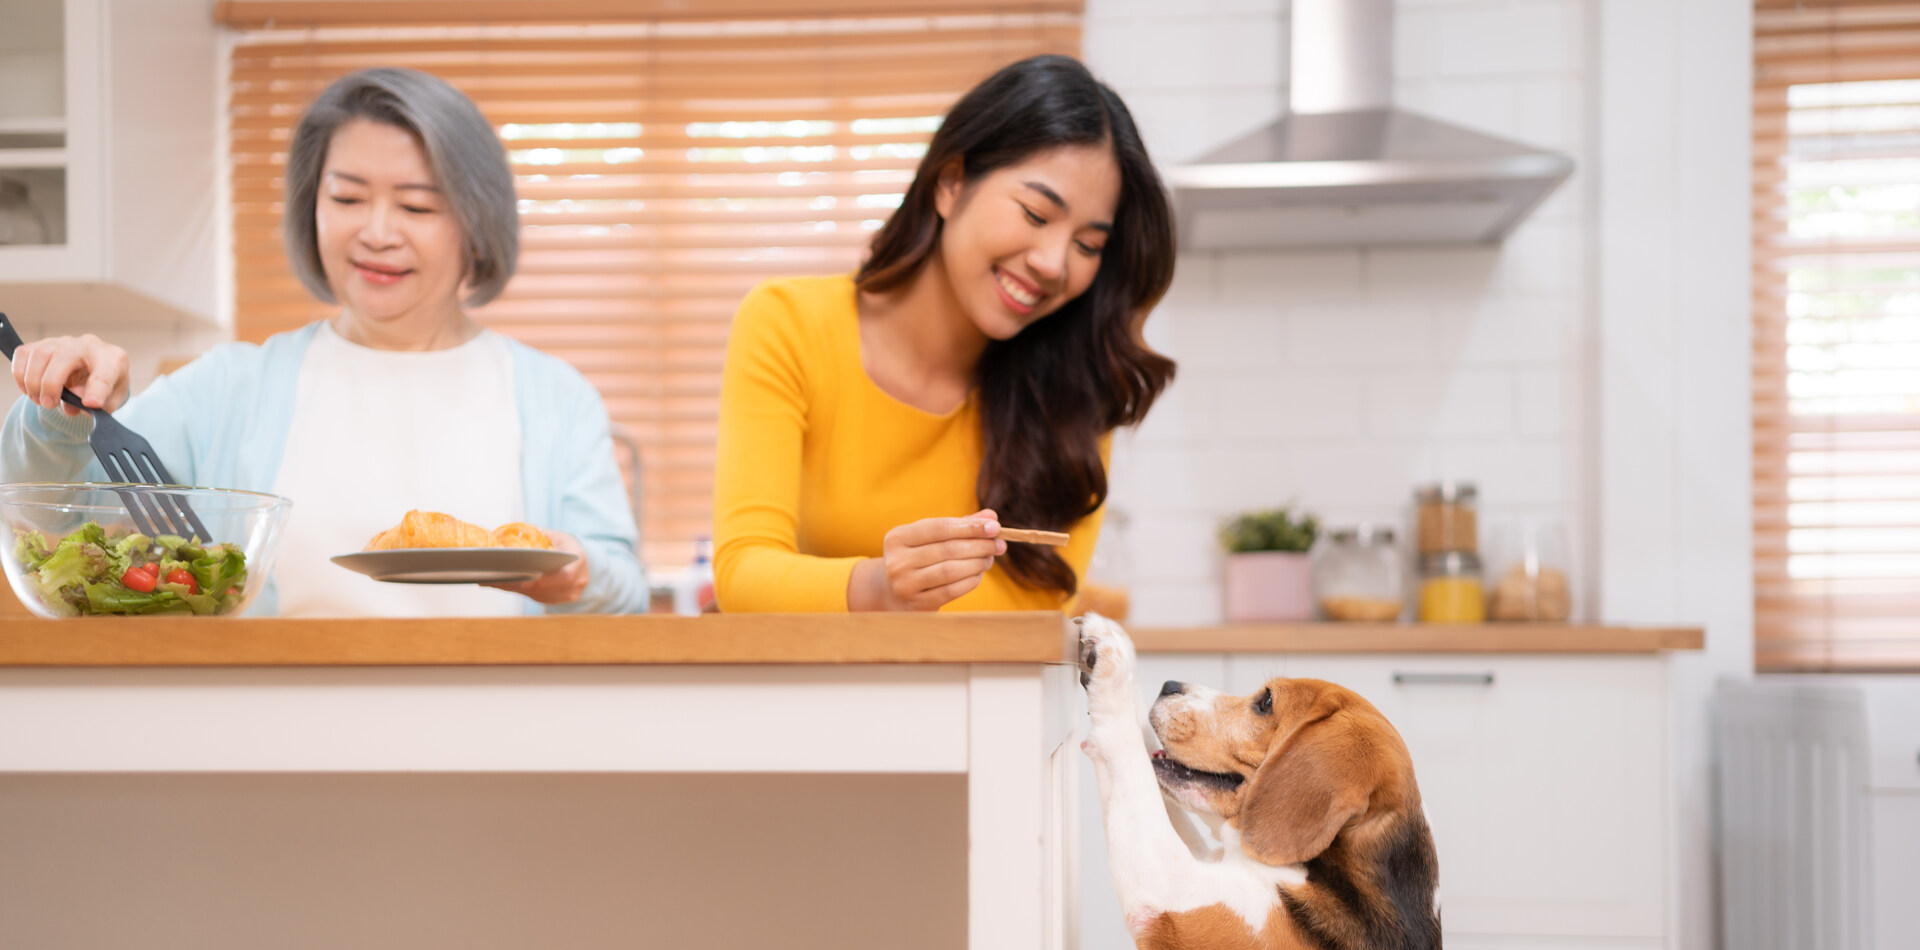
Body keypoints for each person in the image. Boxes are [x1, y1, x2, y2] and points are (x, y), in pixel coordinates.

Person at [2, 68, 645, 617]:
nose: (377, 232)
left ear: (477, 224)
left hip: (500, 739)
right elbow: (58, 520)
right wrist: (63, 410)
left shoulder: (555, 398)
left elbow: (626, 593)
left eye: (417, 207)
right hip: (277, 739)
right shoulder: (230, 389)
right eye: (347, 197)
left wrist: (579, 574)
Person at [712, 55, 1175, 613]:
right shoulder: (788, 324)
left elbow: (1035, 610)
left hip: (982, 702)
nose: (1054, 263)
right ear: (952, 183)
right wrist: (879, 588)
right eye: (1035, 213)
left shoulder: (1079, 391)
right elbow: (743, 572)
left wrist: (891, 599)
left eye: (1088, 245)